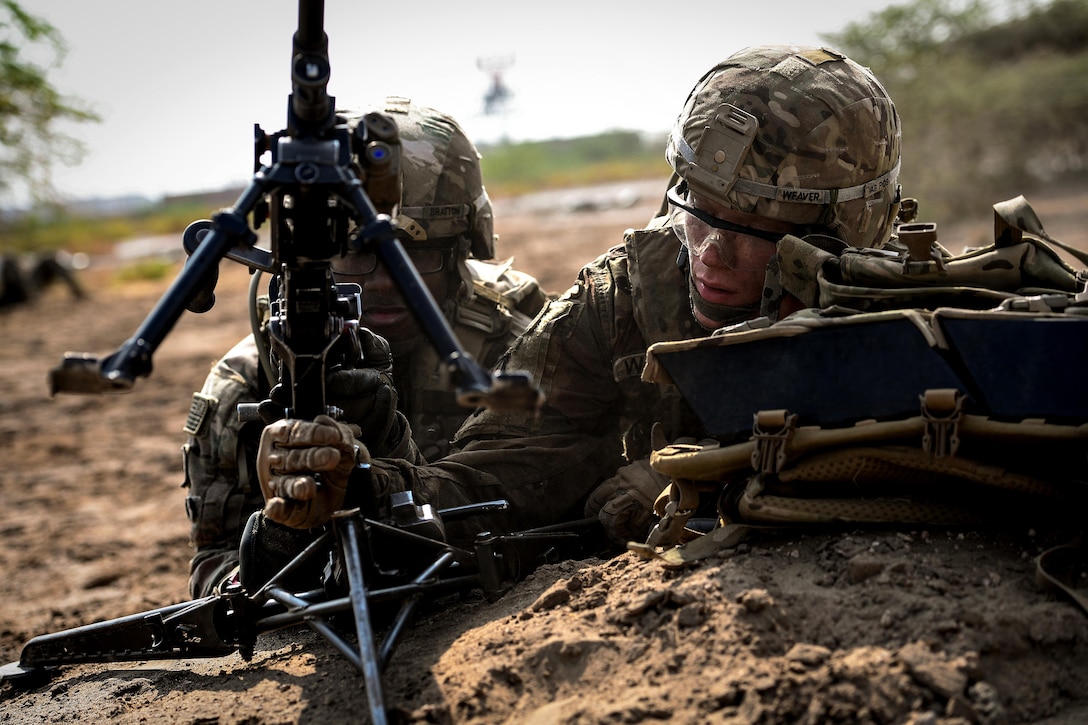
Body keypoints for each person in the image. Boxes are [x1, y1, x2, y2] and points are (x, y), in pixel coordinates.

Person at [255, 45, 903, 550]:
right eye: (698, 210)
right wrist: (366, 485)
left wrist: (692, 478)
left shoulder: (904, 316)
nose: (709, 252)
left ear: (843, 230)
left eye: (756, 230)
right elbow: (501, 469)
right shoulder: (624, 300)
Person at [183, 97, 550, 597]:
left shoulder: (516, 343)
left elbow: (546, 507)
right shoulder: (249, 381)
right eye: (352, 254)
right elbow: (213, 569)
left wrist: (382, 464)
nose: (382, 283)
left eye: (415, 255)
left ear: (464, 252)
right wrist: (278, 538)